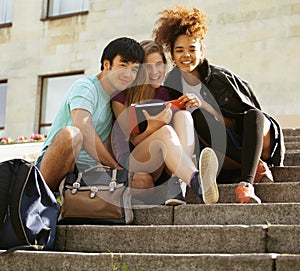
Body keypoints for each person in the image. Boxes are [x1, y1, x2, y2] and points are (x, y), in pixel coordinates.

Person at [153, 5, 285, 204]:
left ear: (202, 50)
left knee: (254, 115)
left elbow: (245, 123)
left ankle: (246, 184)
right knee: (195, 116)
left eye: (192, 49)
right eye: (179, 50)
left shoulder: (220, 79)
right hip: (222, 153)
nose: (186, 55)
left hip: (254, 143)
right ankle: (248, 168)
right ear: (172, 54)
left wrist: (206, 105)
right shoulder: (171, 86)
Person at [111, 40, 219, 205]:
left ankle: (177, 183)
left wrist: (199, 102)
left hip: (164, 159)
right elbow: (131, 140)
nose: (155, 71)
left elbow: (215, 117)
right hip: (133, 160)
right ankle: (196, 182)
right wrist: (155, 126)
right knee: (165, 132)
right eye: (148, 66)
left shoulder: (167, 93)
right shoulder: (122, 97)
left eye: (159, 64)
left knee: (184, 116)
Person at [36, 37, 144, 192]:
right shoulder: (85, 87)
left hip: (87, 171)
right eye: (123, 66)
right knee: (72, 135)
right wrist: (115, 168)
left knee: (142, 181)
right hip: (56, 165)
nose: (128, 74)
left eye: (134, 69)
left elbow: (108, 144)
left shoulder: (115, 100)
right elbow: (84, 130)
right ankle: (39, 195)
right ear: (107, 65)